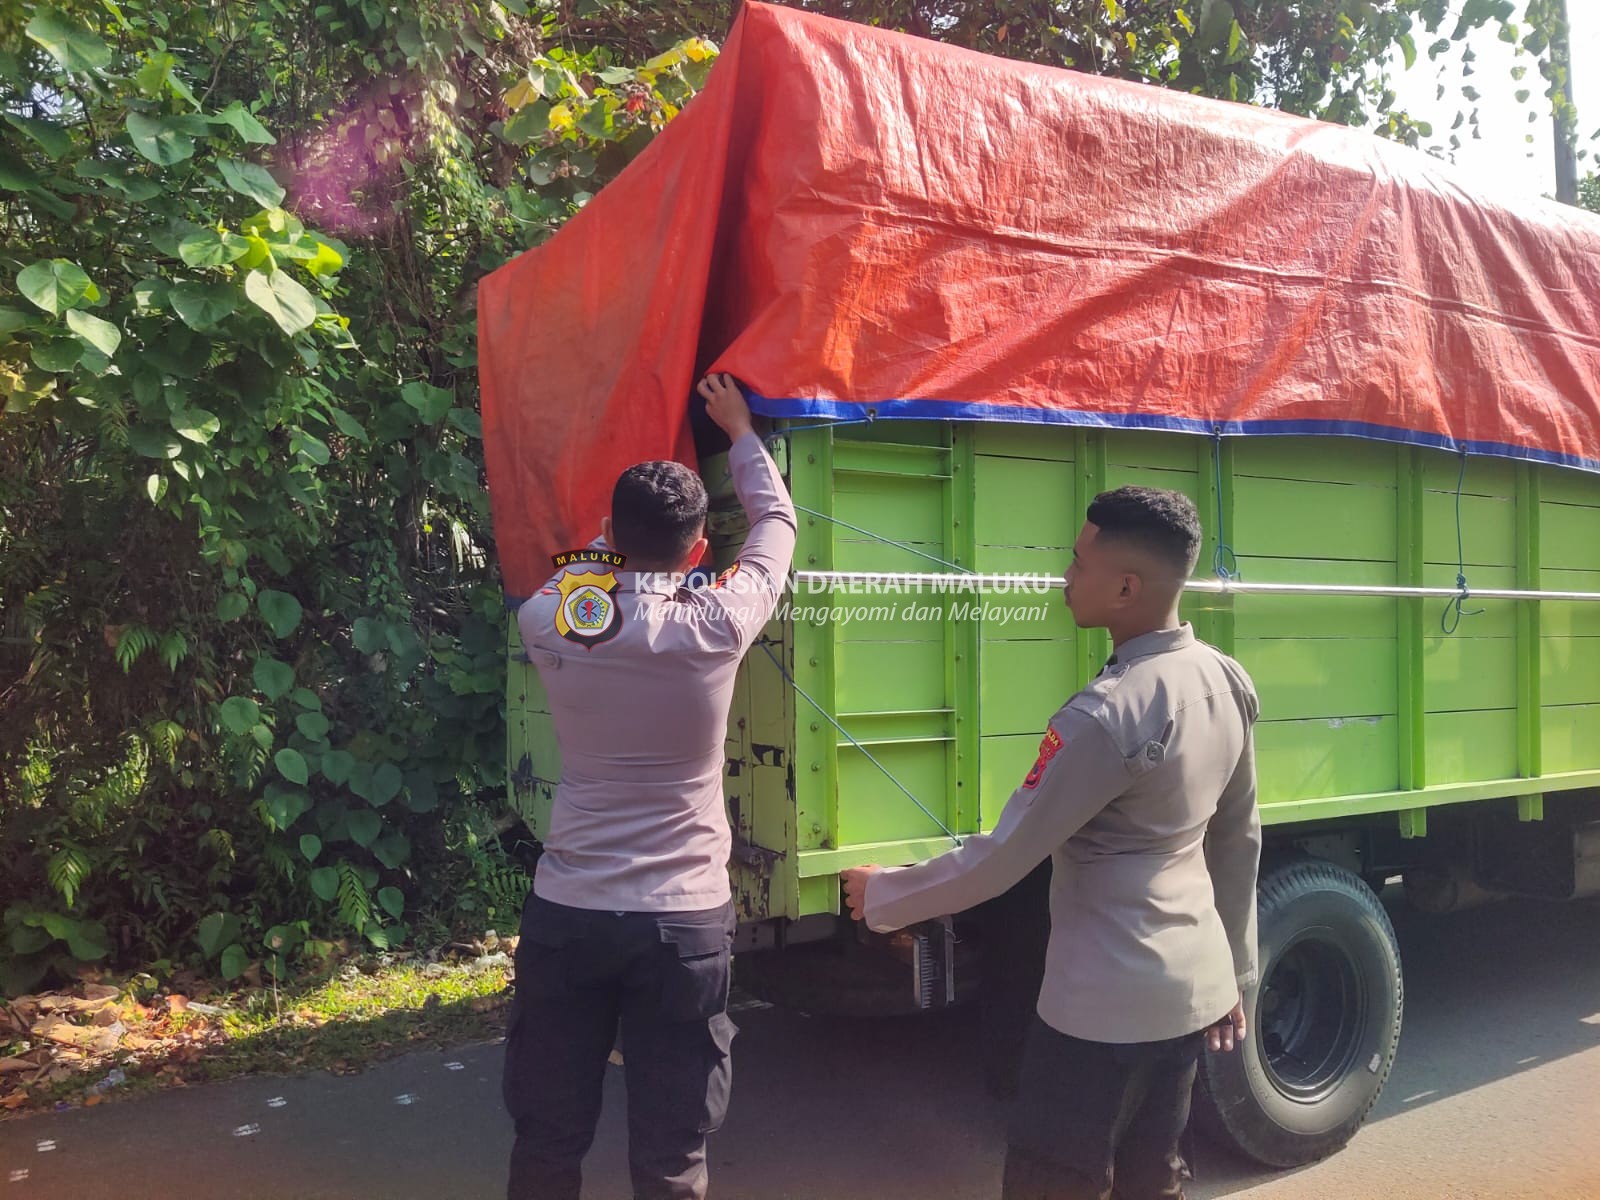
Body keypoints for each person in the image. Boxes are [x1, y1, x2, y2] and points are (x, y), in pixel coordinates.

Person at [843, 486, 1261, 1200]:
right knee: (1152, 1178)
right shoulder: (1224, 677)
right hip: (1191, 991)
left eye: (1078, 562)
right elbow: (1237, 837)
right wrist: (1235, 976)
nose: (1065, 577)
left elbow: (1006, 857)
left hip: (1100, 1009)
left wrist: (882, 894)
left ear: (1127, 586)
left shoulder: (1105, 715)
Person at [504, 373, 796, 1200]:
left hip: (571, 912)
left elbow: (581, 576)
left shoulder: (553, 618)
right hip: (682, 921)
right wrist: (739, 431)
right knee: (673, 1153)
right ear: (701, 551)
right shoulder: (719, 621)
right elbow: (777, 524)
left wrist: (607, 546)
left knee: (547, 1137)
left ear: (609, 536)